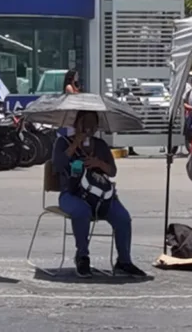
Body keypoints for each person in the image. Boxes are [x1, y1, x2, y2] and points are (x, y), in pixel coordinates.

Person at [53, 111, 147, 279]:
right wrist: (75, 143)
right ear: (76, 124)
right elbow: (58, 166)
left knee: (123, 217)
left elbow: (112, 171)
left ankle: (124, 261)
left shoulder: (100, 145)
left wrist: (98, 163)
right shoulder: (62, 142)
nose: (89, 127)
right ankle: (82, 256)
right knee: (81, 212)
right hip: (71, 194)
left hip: (100, 196)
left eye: (92, 123)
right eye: (85, 122)